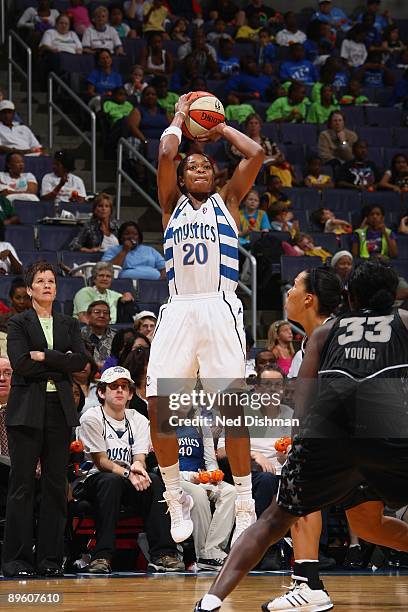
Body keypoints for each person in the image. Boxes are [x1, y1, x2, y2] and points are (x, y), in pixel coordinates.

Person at [195, 261, 408, 611]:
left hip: (334, 437)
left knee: (291, 513)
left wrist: (299, 445)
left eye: (293, 284)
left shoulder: (327, 331)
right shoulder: (391, 322)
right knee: (367, 526)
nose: (288, 291)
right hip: (383, 435)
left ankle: (222, 598)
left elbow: (306, 405)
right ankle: (308, 583)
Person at [146, 92, 265, 546]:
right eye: (191, 166)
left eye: (205, 167)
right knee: (161, 405)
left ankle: (244, 499)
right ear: (182, 177)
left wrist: (218, 129)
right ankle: (174, 494)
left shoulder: (229, 202)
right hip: (179, 308)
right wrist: (180, 115)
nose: (199, 169)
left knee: (231, 408)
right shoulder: (170, 203)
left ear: (215, 175)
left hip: (219, 306)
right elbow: (164, 151)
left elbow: (254, 153)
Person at [2, 261, 88, 578]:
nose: (48, 284)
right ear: (30, 288)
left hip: (59, 411)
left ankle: (50, 560)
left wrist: (45, 356)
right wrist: (59, 362)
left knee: (55, 487)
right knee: (22, 487)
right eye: (41, 280)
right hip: (26, 411)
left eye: (51, 280)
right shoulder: (18, 323)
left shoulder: (67, 324)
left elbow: (80, 361)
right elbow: (21, 365)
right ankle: (17, 560)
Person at [76, 366, 184, 573]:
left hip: (127, 479)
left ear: (130, 394)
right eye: (113, 386)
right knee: (111, 480)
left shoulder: (139, 419)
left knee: (154, 479)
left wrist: (138, 468)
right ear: (101, 392)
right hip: (94, 480)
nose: (119, 391)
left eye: (124, 387)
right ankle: (102, 556)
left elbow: (139, 457)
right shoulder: (91, 418)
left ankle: (163, 553)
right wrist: (128, 473)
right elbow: (101, 462)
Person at [175, 406, 237, 571]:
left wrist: (213, 475)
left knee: (230, 491)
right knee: (199, 494)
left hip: (200, 478)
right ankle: (203, 554)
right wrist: (190, 477)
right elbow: (162, 466)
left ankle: (213, 549)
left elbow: (210, 460)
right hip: (177, 480)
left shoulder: (201, 425)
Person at [102, 221, 166, 280]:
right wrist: (125, 250)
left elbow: (164, 268)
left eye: (135, 234)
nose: (131, 237)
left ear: (139, 237)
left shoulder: (150, 250)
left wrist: (161, 281)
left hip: (153, 286)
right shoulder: (113, 250)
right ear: (121, 237)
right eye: (127, 234)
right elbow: (107, 269)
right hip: (125, 285)